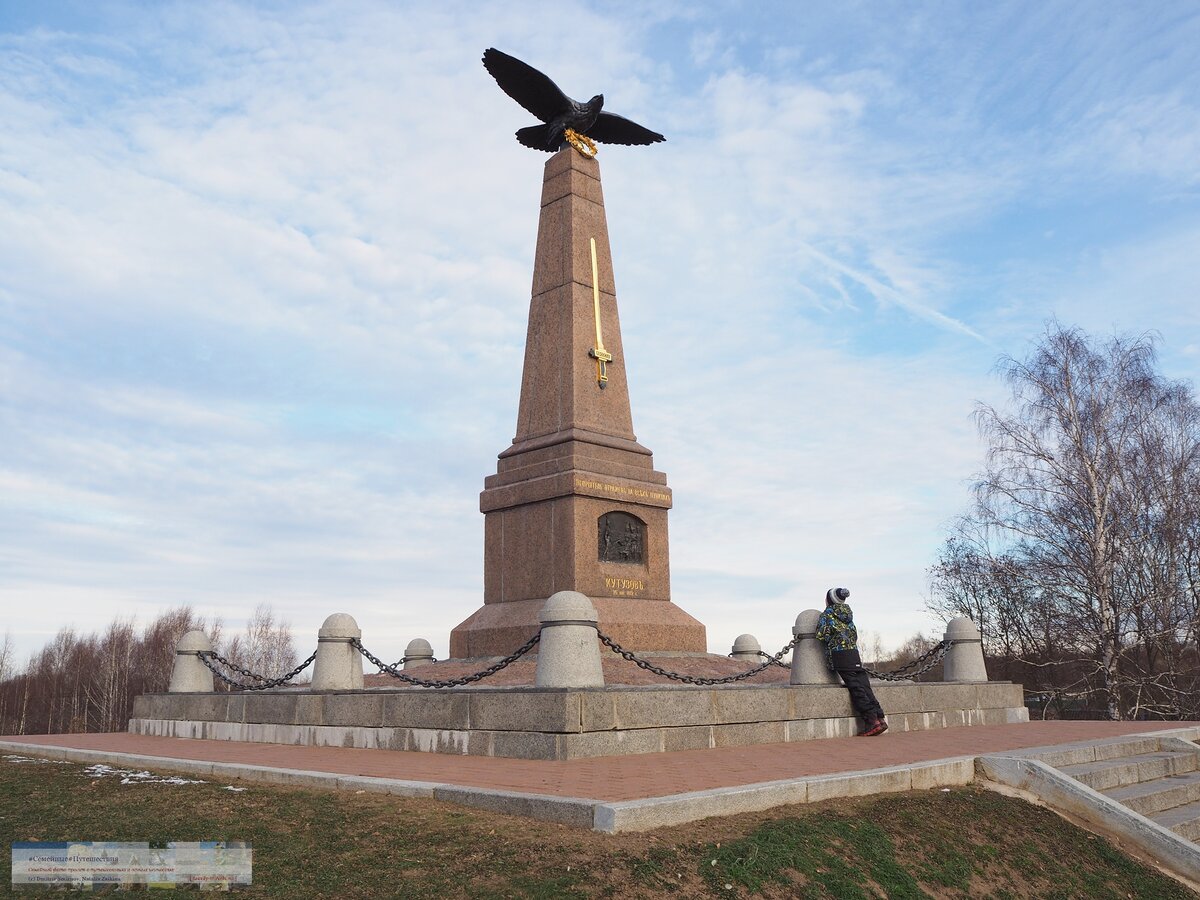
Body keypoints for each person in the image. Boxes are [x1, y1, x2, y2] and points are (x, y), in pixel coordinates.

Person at [816, 587, 888, 736]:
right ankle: (880, 718)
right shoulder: (848, 615)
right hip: (853, 653)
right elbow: (854, 635)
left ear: (828, 600)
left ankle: (871, 721)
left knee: (856, 688)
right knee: (864, 685)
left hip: (839, 654)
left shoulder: (827, 615)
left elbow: (821, 635)